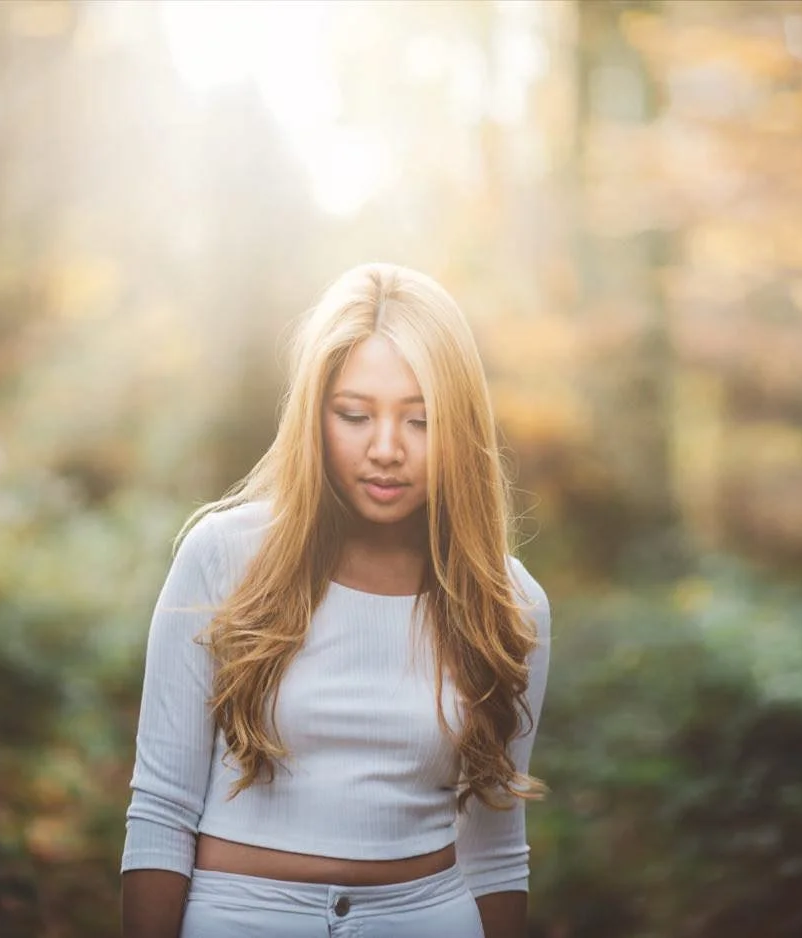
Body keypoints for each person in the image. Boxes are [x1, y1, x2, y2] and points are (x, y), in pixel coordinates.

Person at [120, 262, 551, 938]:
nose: (386, 449)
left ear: (461, 428)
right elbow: (161, 809)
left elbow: (496, 851)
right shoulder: (223, 556)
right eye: (354, 415)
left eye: (421, 420)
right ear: (314, 416)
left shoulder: (510, 601)